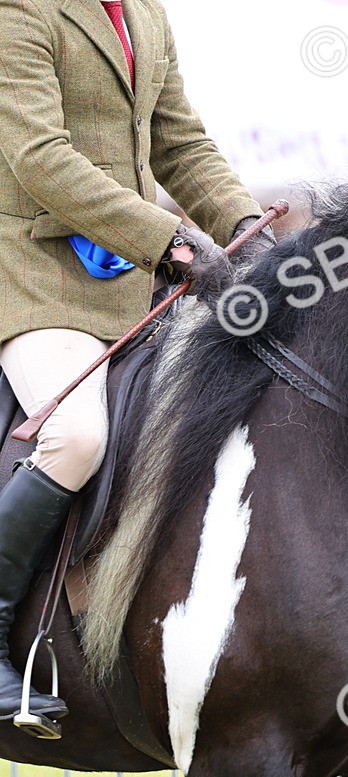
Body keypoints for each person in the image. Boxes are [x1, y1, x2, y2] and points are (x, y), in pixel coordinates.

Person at [0, 0, 273, 727]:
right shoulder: (19, 14)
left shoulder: (144, 14)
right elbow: (39, 159)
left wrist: (244, 229)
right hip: (37, 282)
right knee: (76, 436)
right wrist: (177, 242)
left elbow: (180, 142)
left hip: (133, 286)